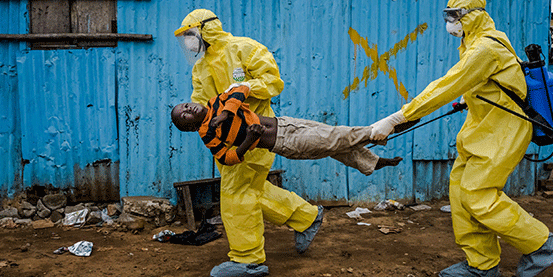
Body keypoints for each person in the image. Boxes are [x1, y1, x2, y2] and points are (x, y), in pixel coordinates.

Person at [369, 0, 553, 277]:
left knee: (479, 195)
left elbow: (446, 85)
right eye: (447, 15)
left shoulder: (485, 47)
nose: (450, 22)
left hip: (503, 130)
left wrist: (399, 117)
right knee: (462, 193)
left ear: (472, 15)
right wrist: (470, 97)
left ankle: (542, 245)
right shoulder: (477, 42)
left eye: (455, 16)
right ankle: (482, 264)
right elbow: (493, 79)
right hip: (482, 128)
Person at [174, 9, 322, 277]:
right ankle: (307, 217)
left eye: (190, 35)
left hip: (256, 133)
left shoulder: (245, 48)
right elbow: (201, 102)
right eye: (185, 38)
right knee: (252, 191)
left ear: (206, 29)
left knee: (235, 194)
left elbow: (273, 82)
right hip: (227, 141)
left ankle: (248, 259)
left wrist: (241, 90)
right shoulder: (200, 68)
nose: (188, 42)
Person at [171, 84, 405, 175]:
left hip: (288, 123)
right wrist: (247, 141)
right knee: (335, 138)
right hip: (285, 143)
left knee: (334, 146)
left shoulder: (216, 103)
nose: (188, 107)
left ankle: (373, 162)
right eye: (184, 114)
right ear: (190, 126)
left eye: (184, 105)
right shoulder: (208, 135)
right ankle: (387, 126)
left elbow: (241, 89)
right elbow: (227, 159)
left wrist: (225, 113)